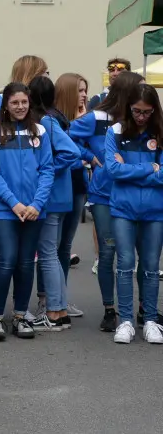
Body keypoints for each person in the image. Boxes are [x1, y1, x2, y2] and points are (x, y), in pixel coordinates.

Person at [69, 71, 145, 332]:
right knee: (108, 252)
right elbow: (67, 137)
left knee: (141, 253)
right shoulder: (97, 118)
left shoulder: (143, 118)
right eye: (140, 89)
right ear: (127, 92)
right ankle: (109, 310)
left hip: (137, 192)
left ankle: (145, 309)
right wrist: (90, 157)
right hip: (104, 194)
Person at [0, 82, 54, 341]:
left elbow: (47, 170)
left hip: (35, 210)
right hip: (5, 209)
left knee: (26, 264)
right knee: (6, 261)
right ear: (6, 105)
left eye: (24, 102)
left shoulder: (41, 132)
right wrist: (14, 203)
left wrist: (36, 204)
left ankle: (22, 316)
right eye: (15, 102)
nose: (20, 107)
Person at [105, 83, 163, 343]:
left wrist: (132, 170)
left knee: (151, 267)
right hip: (123, 209)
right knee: (125, 265)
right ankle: (126, 320)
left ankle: (150, 320)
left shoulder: (160, 131)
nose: (141, 117)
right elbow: (112, 171)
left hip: (155, 210)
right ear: (129, 108)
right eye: (137, 111)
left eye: (147, 112)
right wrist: (150, 169)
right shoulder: (115, 132)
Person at [27, 76, 81, 331]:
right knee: (53, 256)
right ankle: (58, 309)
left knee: (48, 255)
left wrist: (46, 170)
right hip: (59, 196)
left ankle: (54, 312)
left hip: (51, 196)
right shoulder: (53, 117)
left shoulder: (46, 121)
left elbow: (72, 152)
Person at [51, 73, 90, 314]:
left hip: (77, 186)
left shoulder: (84, 120)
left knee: (65, 246)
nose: (84, 95)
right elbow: (73, 153)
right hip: (57, 188)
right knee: (50, 248)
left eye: (86, 90)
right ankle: (50, 299)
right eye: (80, 90)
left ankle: (61, 298)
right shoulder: (55, 121)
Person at [0, 55, 49, 128]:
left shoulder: (42, 100)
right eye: (44, 73)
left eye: (47, 73)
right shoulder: (1, 100)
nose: (47, 77)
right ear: (30, 75)